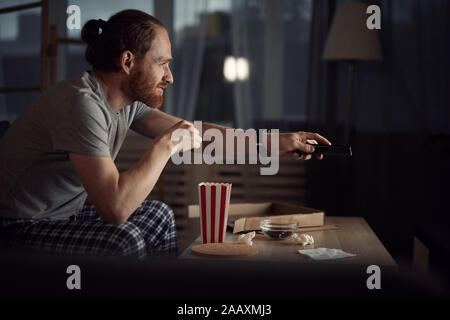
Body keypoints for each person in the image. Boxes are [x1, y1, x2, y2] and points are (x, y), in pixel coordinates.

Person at [0, 10, 331, 258]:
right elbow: (114, 209)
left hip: (59, 217)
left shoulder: (124, 103)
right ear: (128, 61)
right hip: (17, 225)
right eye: (162, 64)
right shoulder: (81, 105)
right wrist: (164, 145)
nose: (169, 77)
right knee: (125, 238)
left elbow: (200, 135)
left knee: (157, 215)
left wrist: (278, 143)